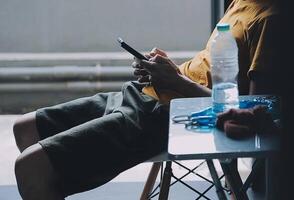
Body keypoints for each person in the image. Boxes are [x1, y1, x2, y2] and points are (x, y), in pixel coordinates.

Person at [13, 0, 279, 199]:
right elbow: (210, 70)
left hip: (164, 114)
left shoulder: (270, 19)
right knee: (24, 129)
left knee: (30, 167)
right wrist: (167, 71)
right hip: (142, 94)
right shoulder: (242, 3)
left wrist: (175, 82)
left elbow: (250, 109)